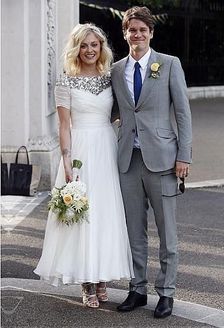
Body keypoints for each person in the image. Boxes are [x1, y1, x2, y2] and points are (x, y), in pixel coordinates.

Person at [34, 23, 134, 309]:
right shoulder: (65, 81)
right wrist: (66, 159)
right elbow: (64, 125)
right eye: (84, 45)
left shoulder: (110, 77)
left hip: (106, 147)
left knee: (105, 212)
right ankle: (87, 283)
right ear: (76, 48)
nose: (90, 50)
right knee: (82, 214)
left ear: (101, 48)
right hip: (80, 150)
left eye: (95, 45)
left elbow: (122, 112)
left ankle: (101, 277)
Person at [111, 6, 192, 318]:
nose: (138, 35)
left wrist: (184, 155)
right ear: (125, 33)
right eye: (132, 29)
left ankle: (166, 293)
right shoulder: (117, 70)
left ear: (151, 33)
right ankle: (137, 288)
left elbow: (183, 114)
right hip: (128, 161)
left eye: (143, 30)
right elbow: (114, 110)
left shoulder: (168, 65)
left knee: (167, 233)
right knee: (134, 230)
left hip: (163, 160)